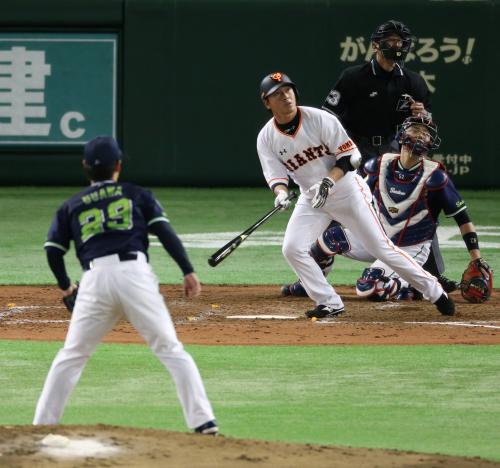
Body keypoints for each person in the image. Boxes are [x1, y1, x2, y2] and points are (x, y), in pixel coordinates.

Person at [33, 136, 218, 435]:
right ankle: (203, 423)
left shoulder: (72, 205)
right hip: (134, 274)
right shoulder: (136, 194)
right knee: (170, 349)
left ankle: (41, 424)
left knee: (72, 354)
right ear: (118, 165)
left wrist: (67, 287)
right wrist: (187, 270)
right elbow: (164, 231)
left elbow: (53, 250)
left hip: (94, 280)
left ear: (85, 168)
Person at [256, 71, 454, 319]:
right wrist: (281, 193)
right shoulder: (266, 138)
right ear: (267, 102)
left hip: (346, 191)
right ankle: (329, 301)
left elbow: (350, 157)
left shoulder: (319, 119)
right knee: (292, 248)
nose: (286, 96)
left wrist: (328, 181)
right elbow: (275, 174)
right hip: (312, 199)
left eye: (288, 90)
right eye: (278, 94)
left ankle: (434, 291)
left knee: (381, 248)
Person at [283, 19, 456, 295]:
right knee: (332, 209)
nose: (396, 45)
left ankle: (430, 275)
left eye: (401, 41)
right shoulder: (353, 77)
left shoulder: (414, 81)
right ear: (376, 45)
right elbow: (327, 117)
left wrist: (423, 116)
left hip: (393, 153)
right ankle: (312, 279)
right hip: (354, 151)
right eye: (390, 40)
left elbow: (426, 126)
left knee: (417, 205)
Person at [301, 115, 487, 303]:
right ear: (402, 134)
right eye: (416, 129)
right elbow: (357, 198)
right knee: (327, 240)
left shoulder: (436, 178)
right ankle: (312, 283)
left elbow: (463, 219)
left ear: (431, 142)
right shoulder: (378, 166)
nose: (421, 136)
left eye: (426, 134)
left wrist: (476, 259)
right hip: (378, 240)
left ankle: (414, 284)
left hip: (410, 247)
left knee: (368, 288)